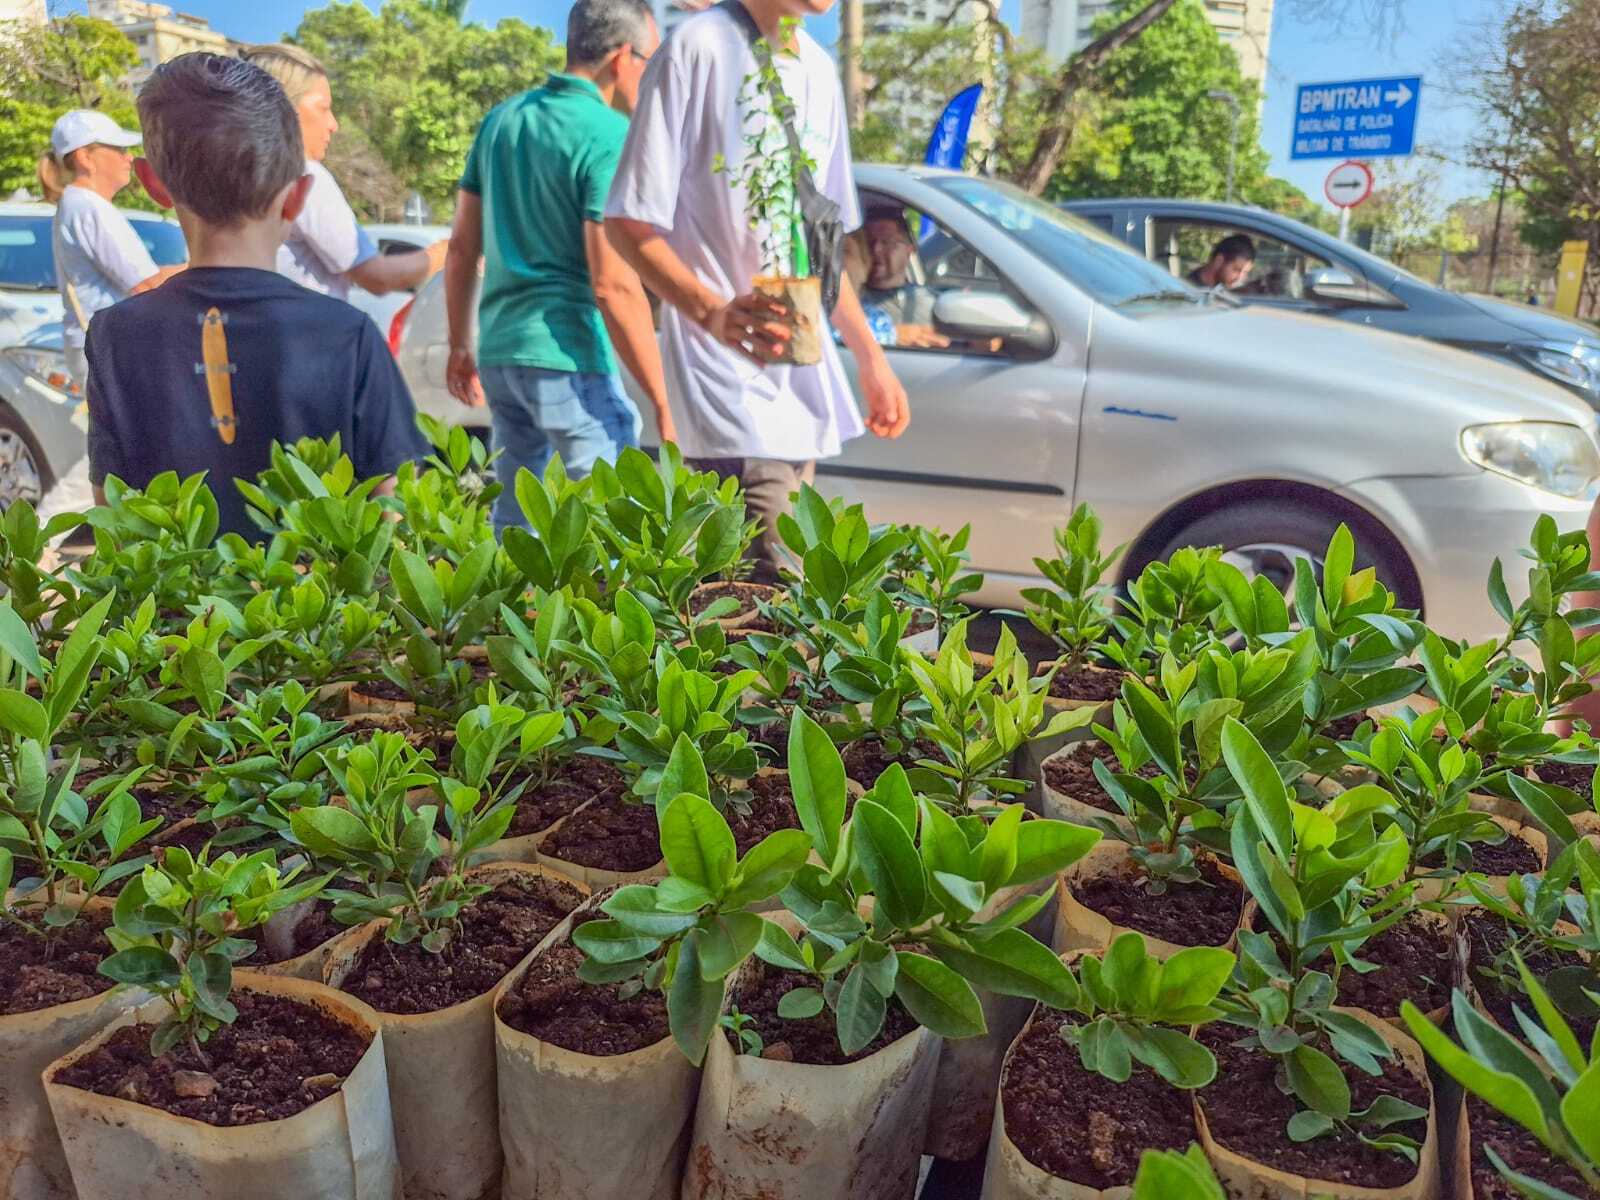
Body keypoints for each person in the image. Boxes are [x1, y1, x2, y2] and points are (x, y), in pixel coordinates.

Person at [604, 0, 910, 580]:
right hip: (728, 384)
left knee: (775, 602)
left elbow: (822, 241)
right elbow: (626, 223)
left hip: (801, 374)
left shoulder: (818, 70)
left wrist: (870, 358)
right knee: (773, 589)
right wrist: (713, 313)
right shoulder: (697, 49)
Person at [84, 52, 428, 539]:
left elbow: (112, 517)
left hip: (170, 614)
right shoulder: (347, 335)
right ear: (298, 196)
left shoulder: (114, 335)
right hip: (320, 613)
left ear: (153, 184)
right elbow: (397, 512)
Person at [444, 0, 672, 536]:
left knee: (515, 510)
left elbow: (460, 248)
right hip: (565, 350)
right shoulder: (608, 136)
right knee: (619, 513)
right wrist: (664, 402)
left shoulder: (502, 120)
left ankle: (506, 618)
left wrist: (460, 344)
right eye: (652, 62)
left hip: (501, 352)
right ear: (622, 57)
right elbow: (612, 284)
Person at [44, 110, 186, 526]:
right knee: (104, 458)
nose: (129, 158)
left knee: (113, 453)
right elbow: (146, 284)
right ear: (86, 157)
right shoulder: (90, 208)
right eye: (119, 149)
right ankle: (32, 548)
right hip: (110, 347)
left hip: (100, 344)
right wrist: (209, 266)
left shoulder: (79, 205)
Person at [240, 43, 445, 302]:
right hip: (309, 336)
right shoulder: (304, 174)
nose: (333, 124)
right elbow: (377, 277)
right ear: (283, 108)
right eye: (323, 108)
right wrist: (445, 253)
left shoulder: (234, 174)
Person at [858, 207, 947, 348]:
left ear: (909, 250)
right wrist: (891, 335)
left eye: (887, 242)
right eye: (868, 242)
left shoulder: (936, 303)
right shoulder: (847, 302)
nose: (876, 249)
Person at [1187, 233, 1256, 291]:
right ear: (1219, 261)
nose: (1239, 278)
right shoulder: (1191, 289)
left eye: (1245, 272)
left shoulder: (1222, 289)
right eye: (1236, 270)